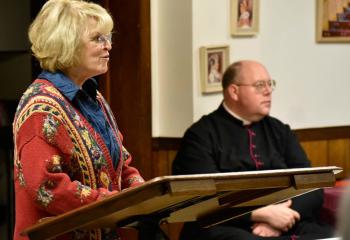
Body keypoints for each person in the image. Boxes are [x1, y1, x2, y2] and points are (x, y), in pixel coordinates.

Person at [12, 1, 145, 239]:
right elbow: (46, 187)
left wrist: (142, 193)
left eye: (109, 37)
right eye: (98, 39)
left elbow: (121, 164)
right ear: (66, 44)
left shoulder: (94, 98)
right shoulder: (41, 106)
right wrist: (114, 203)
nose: (109, 46)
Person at [172, 60, 334, 240]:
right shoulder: (201, 135)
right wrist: (260, 213)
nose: (268, 91)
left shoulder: (279, 130)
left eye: (269, 84)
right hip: (227, 225)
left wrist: (283, 217)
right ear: (234, 91)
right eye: (259, 85)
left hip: (287, 221)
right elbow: (200, 198)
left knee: (332, 235)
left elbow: (312, 185)